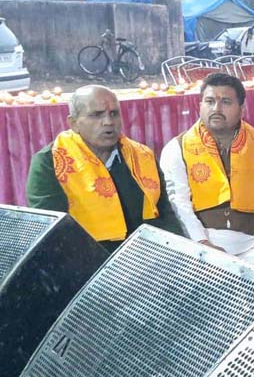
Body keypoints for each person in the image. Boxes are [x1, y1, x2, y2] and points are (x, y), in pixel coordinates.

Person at [160, 73, 254, 273]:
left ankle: (225, 274)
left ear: (242, 109)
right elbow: (179, 206)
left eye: (225, 102)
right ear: (199, 106)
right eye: (209, 101)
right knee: (178, 248)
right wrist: (204, 245)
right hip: (208, 239)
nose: (216, 109)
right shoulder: (176, 148)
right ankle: (248, 273)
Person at [27, 85, 181, 252]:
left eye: (114, 113)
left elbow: (166, 218)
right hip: (82, 264)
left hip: (145, 259)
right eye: (96, 115)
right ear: (73, 123)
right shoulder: (50, 162)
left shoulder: (142, 157)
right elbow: (52, 235)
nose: (108, 122)